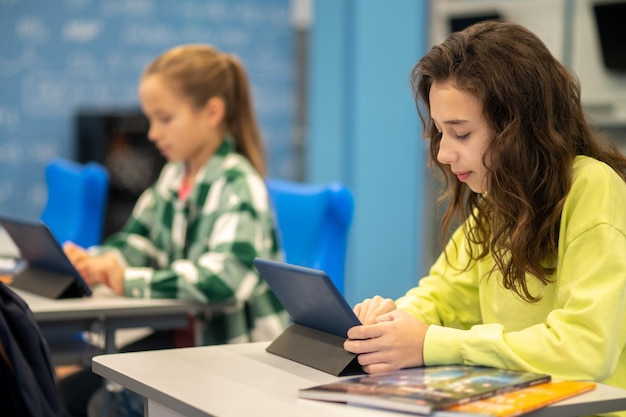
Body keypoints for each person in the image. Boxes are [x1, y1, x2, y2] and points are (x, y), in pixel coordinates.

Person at [344, 20, 626, 414]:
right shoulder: (498, 200)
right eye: (440, 133)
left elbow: (585, 349)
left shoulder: (593, 189)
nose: (443, 154)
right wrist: (392, 321)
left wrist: (429, 343)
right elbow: (443, 296)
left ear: (520, 130)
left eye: (461, 134)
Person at [58, 44, 287, 417]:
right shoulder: (174, 175)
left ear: (212, 112)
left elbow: (223, 280)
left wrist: (128, 281)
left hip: (233, 357)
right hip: (186, 345)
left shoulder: (238, 184)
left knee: (108, 403)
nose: (151, 133)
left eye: (164, 118)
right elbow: (140, 241)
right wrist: (102, 261)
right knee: (70, 391)